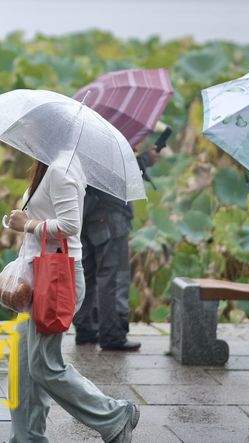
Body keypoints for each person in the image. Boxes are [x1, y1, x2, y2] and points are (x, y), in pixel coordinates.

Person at [6, 159, 139, 443]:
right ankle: (27, 437)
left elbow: (69, 225)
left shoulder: (61, 169)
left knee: (44, 365)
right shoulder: (48, 165)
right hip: (36, 274)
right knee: (22, 362)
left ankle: (114, 415)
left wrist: (28, 224)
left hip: (55, 278)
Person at [75, 148, 159, 352]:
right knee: (112, 276)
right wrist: (146, 159)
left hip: (85, 211)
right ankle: (112, 335)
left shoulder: (80, 137)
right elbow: (118, 172)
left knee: (88, 274)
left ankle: (85, 329)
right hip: (110, 215)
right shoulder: (110, 139)